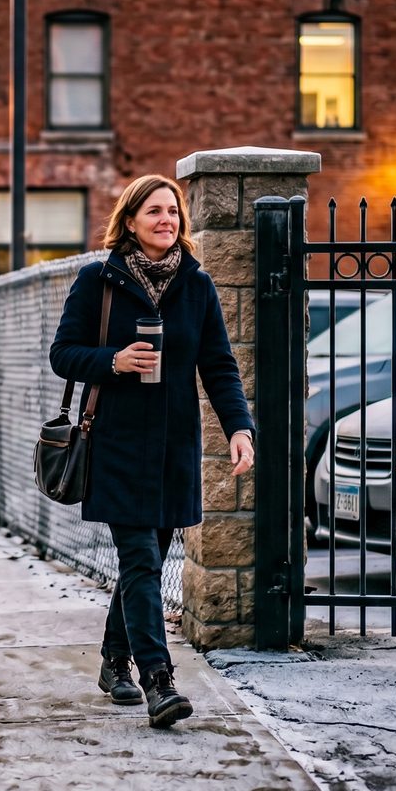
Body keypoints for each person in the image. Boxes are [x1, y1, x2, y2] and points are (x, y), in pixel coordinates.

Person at [49, 174, 254, 730]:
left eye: (173, 211)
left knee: (149, 559)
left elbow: (218, 366)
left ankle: (115, 658)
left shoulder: (198, 284)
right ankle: (158, 680)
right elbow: (63, 354)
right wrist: (113, 361)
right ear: (131, 220)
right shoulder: (100, 280)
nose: (167, 220)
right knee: (140, 558)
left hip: (174, 448)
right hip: (114, 442)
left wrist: (240, 428)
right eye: (154, 211)